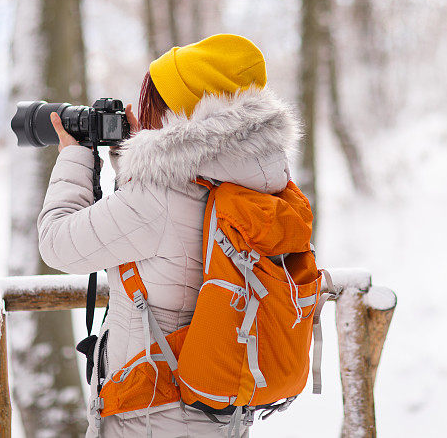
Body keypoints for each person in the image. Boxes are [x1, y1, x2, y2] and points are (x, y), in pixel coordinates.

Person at [37, 34, 300, 437]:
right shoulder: (263, 181)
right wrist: (144, 157)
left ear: (177, 109)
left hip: (151, 416)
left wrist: (74, 154)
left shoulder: (158, 197)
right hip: (222, 415)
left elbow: (57, 243)